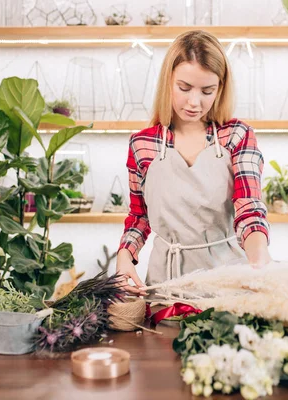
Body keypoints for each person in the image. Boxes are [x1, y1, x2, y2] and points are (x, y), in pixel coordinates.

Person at [116, 30, 271, 296]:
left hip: (228, 283)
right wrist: (124, 257)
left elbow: (249, 206)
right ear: (168, 82)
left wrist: (259, 259)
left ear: (220, 88)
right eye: (184, 88)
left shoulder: (236, 136)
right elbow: (139, 217)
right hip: (166, 285)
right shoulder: (142, 145)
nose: (194, 102)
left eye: (207, 91)